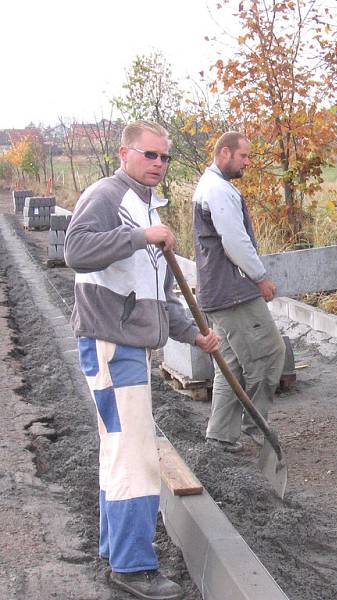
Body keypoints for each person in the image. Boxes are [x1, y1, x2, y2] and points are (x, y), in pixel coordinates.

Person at [64, 120, 219, 600]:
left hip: (129, 342)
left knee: (120, 450)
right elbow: (76, 250)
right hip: (112, 343)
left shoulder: (148, 205)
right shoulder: (108, 195)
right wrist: (139, 236)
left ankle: (117, 550)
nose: (158, 164)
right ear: (124, 153)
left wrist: (193, 334)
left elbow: (157, 292)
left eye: (164, 157)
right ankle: (133, 567)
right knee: (135, 456)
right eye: (149, 155)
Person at [192, 132, 285, 453]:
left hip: (216, 290)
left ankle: (219, 436)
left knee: (230, 365)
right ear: (225, 153)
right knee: (270, 355)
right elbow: (234, 241)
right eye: (243, 157)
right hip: (232, 292)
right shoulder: (218, 190)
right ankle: (255, 426)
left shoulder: (211, 186)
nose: (247, 163)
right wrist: (260, 277)